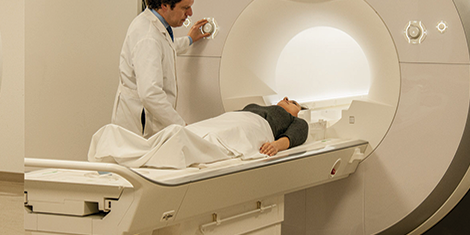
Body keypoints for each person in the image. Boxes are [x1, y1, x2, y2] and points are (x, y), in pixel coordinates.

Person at [112, 0, 212, 138]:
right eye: (185, 8)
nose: (190, 13)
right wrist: (181, 126)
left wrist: (189, 39)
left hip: (143, 119)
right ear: (165, 5)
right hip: (141, 126)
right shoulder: (148, 37)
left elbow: (165, 49)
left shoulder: (153, 25)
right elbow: (150, 94)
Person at [91, 97, 309, 168]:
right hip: (229, 119)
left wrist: (276, 146)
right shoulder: (256, 105)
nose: (286, 100)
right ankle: (137, 146)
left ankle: (145, 150)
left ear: (298, 113)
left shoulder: (293, 120)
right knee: (196, 131)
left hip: (249, 128)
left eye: (293, 102)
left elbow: (296, 135)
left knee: (212, 139)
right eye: (287, 98)